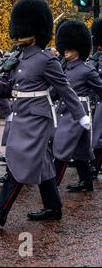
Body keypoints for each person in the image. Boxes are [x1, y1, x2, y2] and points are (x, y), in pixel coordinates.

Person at [0, 0, 89, 226]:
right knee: (40, 163)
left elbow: (65, 89)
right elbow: (10, 89)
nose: (19, 36)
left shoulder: (46, 60)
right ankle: (53, 207)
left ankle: (1, 210)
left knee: (22, 160)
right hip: (22, 114)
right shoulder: (18, 58)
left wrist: (81, 115)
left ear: (36, 32)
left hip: (38, 118)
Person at [52, 20, 102, 192]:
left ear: (79, 49)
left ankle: (52, 186)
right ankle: (86, 182)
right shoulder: (64, 68)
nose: (65, 52)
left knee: (61, 148)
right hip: (64, 110)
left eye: (69, 49)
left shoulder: (88, 70)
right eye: (64, 49)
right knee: (81, 151)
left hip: (77, 113)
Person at [90, 18, 102, 179]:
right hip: (99, 100)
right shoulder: (98, 57)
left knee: (99, 137)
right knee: (98, 137)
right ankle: (94, 167)